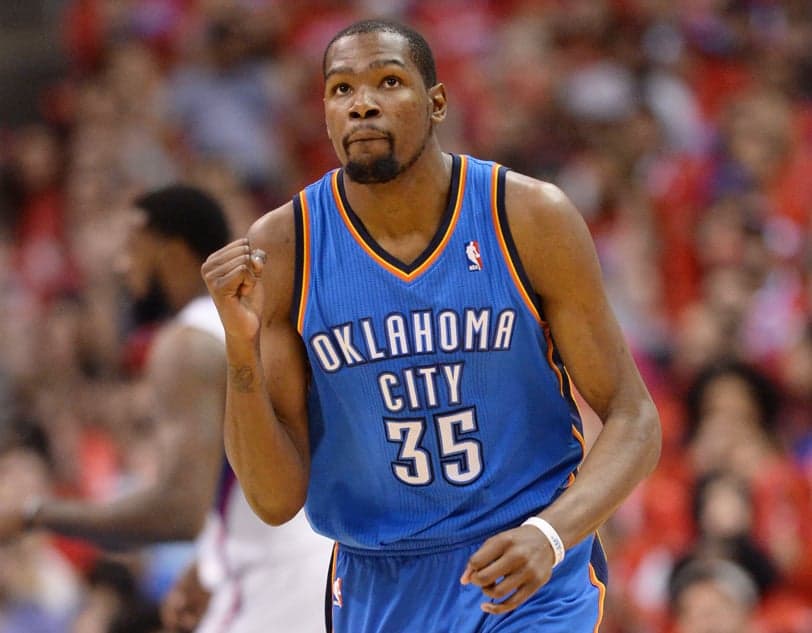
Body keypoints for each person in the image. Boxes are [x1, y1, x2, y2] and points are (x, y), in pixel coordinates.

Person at [202, 19, 661, 633]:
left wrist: (552, 535)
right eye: (341, 90)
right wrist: (240, 347)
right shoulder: (286, 246)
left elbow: (634, 416)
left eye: (387, 82)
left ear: (437, 102)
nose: (361, 103)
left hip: (524, 565)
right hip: (378, 582)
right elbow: (274, 497)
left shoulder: (527, 216)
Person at [0, 184, 331, 633]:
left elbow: (178, 511)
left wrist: (32, 514)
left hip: (273, 587)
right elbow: (244, 482)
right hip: (320, 568)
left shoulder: (186, 343)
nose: (123, 267)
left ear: (173, 252)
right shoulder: (250, 323)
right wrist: (207, 565)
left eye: (133, 250)